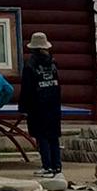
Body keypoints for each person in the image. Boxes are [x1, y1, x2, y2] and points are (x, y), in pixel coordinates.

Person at [19, 32, 62, 177]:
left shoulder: (30, 65)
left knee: (41, 136)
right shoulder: (53, 63)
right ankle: (57, 166)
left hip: (37, 106)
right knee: (54, 136)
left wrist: (23, 107)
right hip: (54, 105)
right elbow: (58, 85)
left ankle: (47, 166)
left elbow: (26, 88)